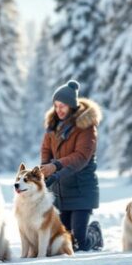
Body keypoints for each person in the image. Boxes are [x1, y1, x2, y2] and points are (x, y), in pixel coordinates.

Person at [40, 80, 103, 251]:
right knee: (65, 243)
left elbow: (81, 157)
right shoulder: (53, 126)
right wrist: (45, 168)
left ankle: (95, 233)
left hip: (82, 190)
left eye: (63, 106)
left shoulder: (86, 128)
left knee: (80, 243)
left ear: (72, 106)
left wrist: (56, 166)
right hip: (61, 192)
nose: (58, 110)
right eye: (56, 105)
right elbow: (46, 148)